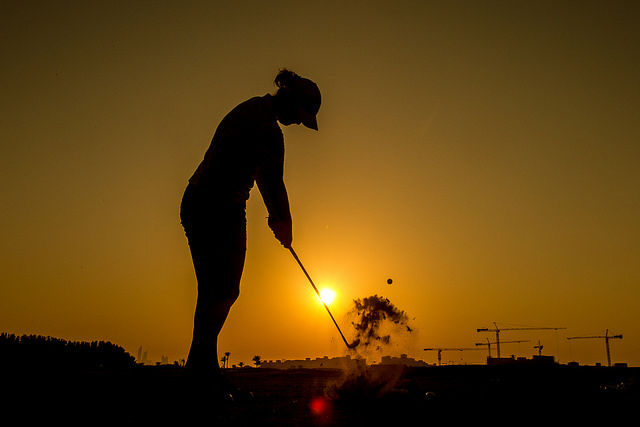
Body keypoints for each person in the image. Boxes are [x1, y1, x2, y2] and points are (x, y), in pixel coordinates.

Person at [180, 69, 321, 395]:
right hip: (217, 208)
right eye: (299, 116)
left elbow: (260, 177)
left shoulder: (252, 108)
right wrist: (284, 222)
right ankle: (200, 375)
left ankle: (200, 373)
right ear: (290, 99)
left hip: (198, 201)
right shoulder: (268, 129)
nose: (298, 123)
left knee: (213, 293)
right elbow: (273, 181)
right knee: (224, 291)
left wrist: (277, 218)